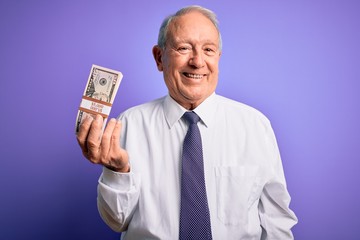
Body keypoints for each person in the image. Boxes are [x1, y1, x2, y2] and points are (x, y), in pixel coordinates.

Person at [76, 5, 298, 239]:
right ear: (159, 57)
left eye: (209, 50)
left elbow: (276, 221)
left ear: (218, 58)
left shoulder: (255, 127)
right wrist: (118, 171)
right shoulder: (128, 125)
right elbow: (117, 221)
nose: (198, 61)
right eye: (183, 48)